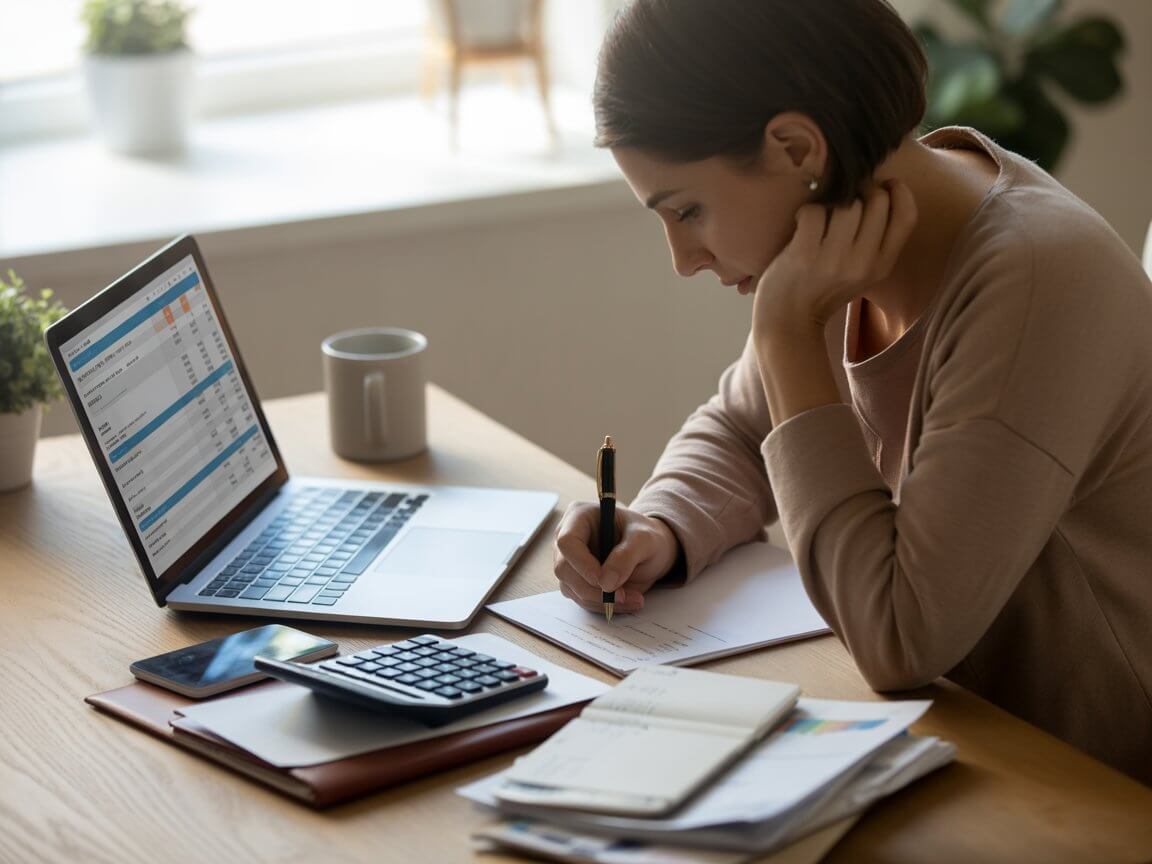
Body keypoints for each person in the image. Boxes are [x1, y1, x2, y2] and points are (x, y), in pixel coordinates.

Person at [552, 0, 1152, 785]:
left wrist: (787, 337)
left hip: (1094, 781)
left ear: (797, 146)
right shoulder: (848, 238)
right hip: (963, 741)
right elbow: (742, 428)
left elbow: (901, 637)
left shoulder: (1035, 279)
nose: (683, 258)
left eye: (688, 209)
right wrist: (662, 525)